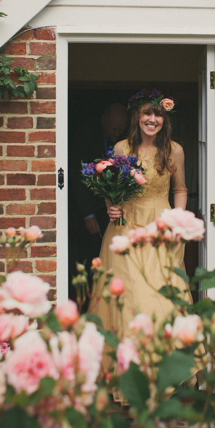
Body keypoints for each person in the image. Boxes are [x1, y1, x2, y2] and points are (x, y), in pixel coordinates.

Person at [88, 90, 192, 342]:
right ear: (137, 116)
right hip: (126, 225)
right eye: (147, 113)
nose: (152, 119)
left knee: (158, 293)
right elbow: (109, 185)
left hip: (160, 225)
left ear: (165, 120)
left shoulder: (174, 150)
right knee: (126, 291)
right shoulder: (121, 148)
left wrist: (177, 219)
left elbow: (179, 189)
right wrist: (110, 206)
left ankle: (161, 359)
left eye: (158, 114)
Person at [70, 102, 128, 303]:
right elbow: (78, 178)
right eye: (114, 128)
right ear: (103, 121)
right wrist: (88, 214)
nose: (117, 132)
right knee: (89, 258)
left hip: (113, 212)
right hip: (87, 211)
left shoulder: (124, 142)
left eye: (121, 129)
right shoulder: (85, 136)